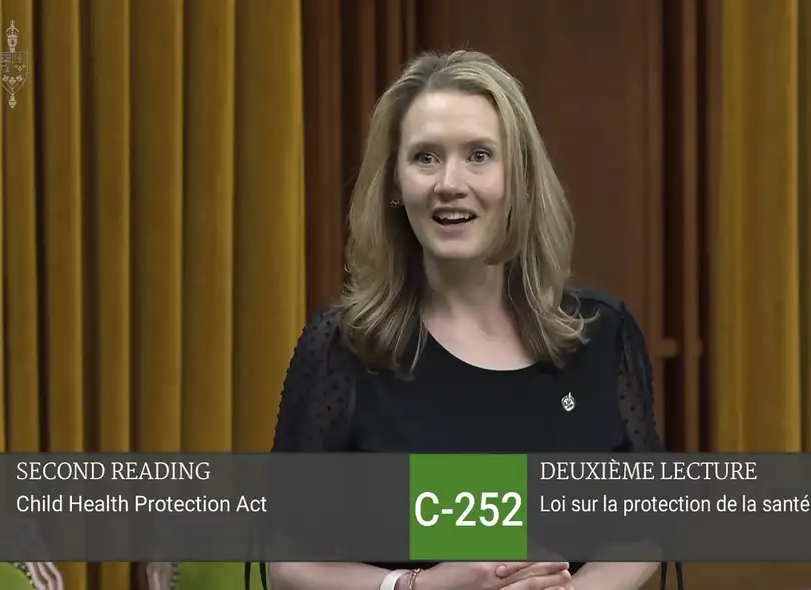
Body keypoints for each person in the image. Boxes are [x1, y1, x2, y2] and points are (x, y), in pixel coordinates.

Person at [258, 50, 664, 590]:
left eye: (479, 155)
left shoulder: (602, 335)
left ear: (518, 179)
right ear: (396, 185)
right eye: (426, 158)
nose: (450, 182)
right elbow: (287, 564)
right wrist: (417, 589)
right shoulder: (343, 347)